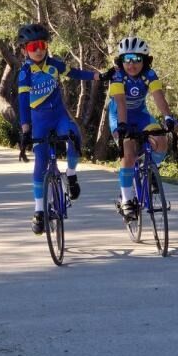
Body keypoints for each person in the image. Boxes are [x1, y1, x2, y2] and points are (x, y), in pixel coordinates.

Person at [18, 22, 106, 235]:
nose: (38, 50)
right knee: (40, 163)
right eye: (33, 47)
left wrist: (97, 76)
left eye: (42, 45)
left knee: (73, 135)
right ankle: (39, 211)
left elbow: (74, 73)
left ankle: (71, 175)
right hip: (39, 123)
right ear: (24, 50)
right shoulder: (25, 73)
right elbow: (22, 101)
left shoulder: (54, 65)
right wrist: (26, 129)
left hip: (59, 118)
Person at [108, 36, 176, 222]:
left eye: (137, 59)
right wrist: (122, 127)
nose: (131, 64)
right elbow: (121, 103)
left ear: (144, 60)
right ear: (121, 61)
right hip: (120, 116)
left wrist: (168, 117)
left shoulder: (150, 74)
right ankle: (127, 200)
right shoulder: (117, 76)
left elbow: (158, 96)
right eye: (127, 59)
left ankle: (151, 170)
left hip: (141, 115)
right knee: (128, 154)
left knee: (161, 140)